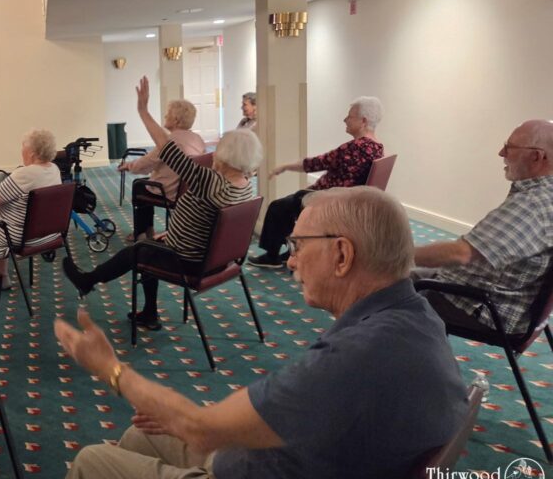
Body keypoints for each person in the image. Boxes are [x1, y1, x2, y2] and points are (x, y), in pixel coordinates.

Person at [51, 186, 468, 479]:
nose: (289, 260)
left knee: (91, 463)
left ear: (342, 255)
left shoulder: (357, 357)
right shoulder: (416, 316)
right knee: (138, 437)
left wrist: (110, 369)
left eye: (299, 245)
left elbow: (200, 428)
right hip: (298, 468)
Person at [63, 77, 260, 330]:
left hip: (188, 261)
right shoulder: (245, 187)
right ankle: (148, 312)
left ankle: (88, 280)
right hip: (220, 260)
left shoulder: (210, 182)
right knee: (150, 244)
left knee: (139, 250)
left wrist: (143, 111)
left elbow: (168, 148)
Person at [414, 119, 553, 335]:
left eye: (509, 147)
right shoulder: (542, 197)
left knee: (377, 282)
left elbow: (460, 254)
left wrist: (395, 255)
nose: (501, 153)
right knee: (403, 273)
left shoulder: (533, 205)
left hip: (481, 306)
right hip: (490, 293)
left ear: (536, 156)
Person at [249, 96, 384, 269]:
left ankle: (272, 256)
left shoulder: (354, 148)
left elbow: (314, 164)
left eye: (349, 116)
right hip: (348, 201)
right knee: (290, 203)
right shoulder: (377, 147)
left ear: (363, 121)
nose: (345, 119)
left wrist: (284, 167)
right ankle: (295, 250)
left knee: (278, 207)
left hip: (331, 202)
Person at [0, 128, 62, 288]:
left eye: (23, 147)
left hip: (21, 237)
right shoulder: (54, 169)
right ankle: (1, 273)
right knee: (3, 215)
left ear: (32, 152)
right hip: (49, 234)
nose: (21, 151)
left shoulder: (24, 174)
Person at [118, 98, 204, 243]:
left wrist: (129, 166)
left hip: (169, 190)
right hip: (188, 190)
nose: (165, 116)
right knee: (146, 183)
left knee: (139, 186)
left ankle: (141, 232)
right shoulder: (198, 139)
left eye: (168, 113)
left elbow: (145, 164)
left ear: (176, 120)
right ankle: (149, 229)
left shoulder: (170, 141)